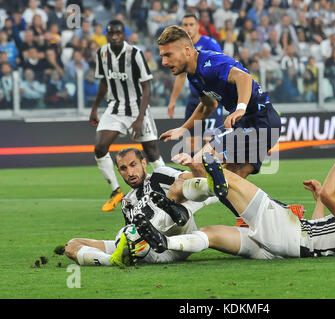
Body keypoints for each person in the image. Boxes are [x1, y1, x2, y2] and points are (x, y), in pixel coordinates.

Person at [128, 148, 335, 261]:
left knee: (227, 178)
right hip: (282, 249)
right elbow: (318, 231)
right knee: (210, 234)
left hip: (287, 233)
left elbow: (333, 196)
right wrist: (318, 201)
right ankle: (164, 243)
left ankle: (191, 189)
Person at [157, 25, 282, 225]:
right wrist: (184, 128)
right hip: (259, 123)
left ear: (187, 50)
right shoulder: (193, 75)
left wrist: (240, 108)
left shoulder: (210, 63)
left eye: (168, 55)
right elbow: (209, 105)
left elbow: (244, 77)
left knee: (201, 162)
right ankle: (269, 215)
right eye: (162, 56)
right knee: (232, 183)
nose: (164, 62)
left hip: (257, 120)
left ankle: (178, 200)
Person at [64, 147, 216, 266]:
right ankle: (110, 260)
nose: (130, 172)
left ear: (143, 163)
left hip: (179, 235)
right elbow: (131, 233)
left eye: (133, 165)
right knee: (72, 245)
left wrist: (192, 165)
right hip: (150, 249)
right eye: (123, 168)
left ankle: (173, 211)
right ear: (119, 172)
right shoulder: (127, 202)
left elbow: (196, 180)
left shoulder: (159, 175)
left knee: (179, 187)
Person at [89, 19, 165, 213]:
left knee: (152, 152)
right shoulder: (102, 53)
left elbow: (146, 86)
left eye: (118, 33)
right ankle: (116, 191)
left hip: (137, 108)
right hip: (115, 107)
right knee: (100, 147)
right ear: (107, 35)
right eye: (111, 33)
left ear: (123, 35)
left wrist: (140, 119)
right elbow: (105, 82)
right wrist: (95, 107)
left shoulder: (135, 54)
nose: (114, 36)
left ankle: (168, 189)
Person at [167, 14, 224, 156]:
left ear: (198, 26)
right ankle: (198, 176)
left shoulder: (210, 44)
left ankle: (216, 176)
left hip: (212, 97)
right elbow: (180, 75)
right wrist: (173, 100)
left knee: (210, 141)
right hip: (194, 98)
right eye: (185, 25)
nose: (188, 28)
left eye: (191, 24)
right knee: (190, 142)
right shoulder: (181, 47)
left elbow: (222, 67)